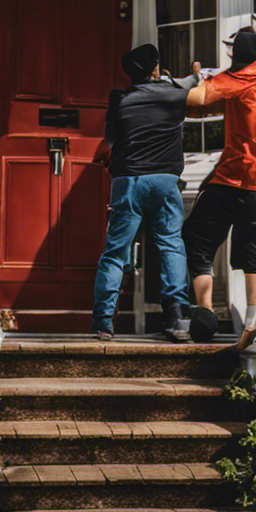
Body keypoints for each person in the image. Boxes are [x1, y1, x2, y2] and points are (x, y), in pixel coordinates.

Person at [91, 43, 197, 343]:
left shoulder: (119, 99)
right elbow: (196, 81)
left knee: (115, 251)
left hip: (129, 182)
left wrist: (100, 159)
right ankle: (177, 319)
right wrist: (179, 78)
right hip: (165, 181)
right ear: (155, 68)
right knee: (171, 245)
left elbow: (109, 141)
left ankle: (103, 323)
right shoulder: (175, 92)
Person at [183, 29, 256, 351]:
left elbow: (199, 98)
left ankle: (204, 314)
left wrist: (176, 86)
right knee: (250, 250)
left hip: (232, 177)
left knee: (197, 240)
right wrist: (207, 76)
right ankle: (251, 322)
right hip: (252, 182)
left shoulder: (236, 79)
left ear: (235, 57)